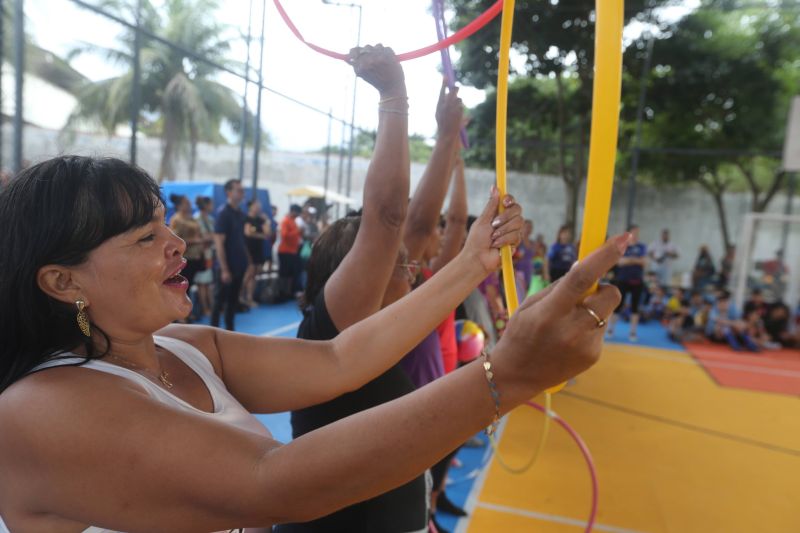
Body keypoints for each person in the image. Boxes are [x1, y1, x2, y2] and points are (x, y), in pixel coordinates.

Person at [0, 153, 629, 531]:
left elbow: (339, 359)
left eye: (165, 222)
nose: (177, 242)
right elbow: (276, 483)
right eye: (143, 237)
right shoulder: (40, 409)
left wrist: (471, 265)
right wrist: (507, 374)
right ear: (62, 281)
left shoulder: (185, 347)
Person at [280, 48, 470, 533]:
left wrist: (448, 136)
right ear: (350, 278)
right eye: (397, 265)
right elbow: (388, 220)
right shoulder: (331, 332)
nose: (412, 268)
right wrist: (393, 96)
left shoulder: (384, 335)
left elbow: (419, 225)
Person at [211, 179, 250, 331]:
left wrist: (248, 261)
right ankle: (212, 332)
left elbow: (241, 240)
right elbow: (219, 243)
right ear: (229, 192)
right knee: (219, 301)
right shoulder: (223, 214)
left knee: (233, 302)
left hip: (239, 264)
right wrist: (224, 269)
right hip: (227, 266)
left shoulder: (240, 214)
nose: (242, 193)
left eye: (242, 190)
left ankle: (229, 332)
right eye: (238, 190)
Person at [168, 194, 206, 322]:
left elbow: (199, 234)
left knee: (188, 287)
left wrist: (201, 242)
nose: (189, 203)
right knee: (181, 288)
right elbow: (175, 239)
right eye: (186, 202)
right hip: (184, 258)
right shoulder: (176, 219)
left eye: (189, 201)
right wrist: (194, 240)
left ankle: (185, 313)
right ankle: (179, 316)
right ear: (179, 205)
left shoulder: (191, 218)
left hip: (195, 257)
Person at [608, 224, 647, 342]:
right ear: (628, 234)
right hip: (623, 280)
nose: (636, 235)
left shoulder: (642, 246)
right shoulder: (622, 246)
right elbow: (619, 262)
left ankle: (633, 332)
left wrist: (630, 260)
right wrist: (635, 260)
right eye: (633, 232)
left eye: (637, 233)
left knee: (635, 307)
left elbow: (644, 262)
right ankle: (610, 329)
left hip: (637, 280)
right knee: (617, 306)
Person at [243, 199, 271, 308]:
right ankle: (239, 295)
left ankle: (250, 298)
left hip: (258, 248)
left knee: (255, 274)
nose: (258, 207)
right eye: (256, 205)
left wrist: (267, 221)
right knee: (248, 272)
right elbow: (248, 233)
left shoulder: (261, 219)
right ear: (250, 206)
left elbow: (267, 233)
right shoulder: (246, 218)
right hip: (248, 248)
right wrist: (260, 235)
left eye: (259, 205)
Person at [194, 196, 216, 317]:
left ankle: (210, 307)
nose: (212, 206)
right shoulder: (197, 219)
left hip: (209, 253)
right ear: (206, 205)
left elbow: (212, 235)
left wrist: (210, 237)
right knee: (202, 283)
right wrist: (210, 237)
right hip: (201, 253)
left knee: (207, 281)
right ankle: (205, 308)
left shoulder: (210, 219)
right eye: (211, 204)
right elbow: (202, 236)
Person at [278, 204, 303, 301]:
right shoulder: (285, 221)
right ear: (293, 211)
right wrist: (297, 232)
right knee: (283, 274)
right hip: (285, 251)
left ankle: (288, 292)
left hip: (293, 251)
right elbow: (284, 235)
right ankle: (281, 292)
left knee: (291, 273)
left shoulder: (293, 221)